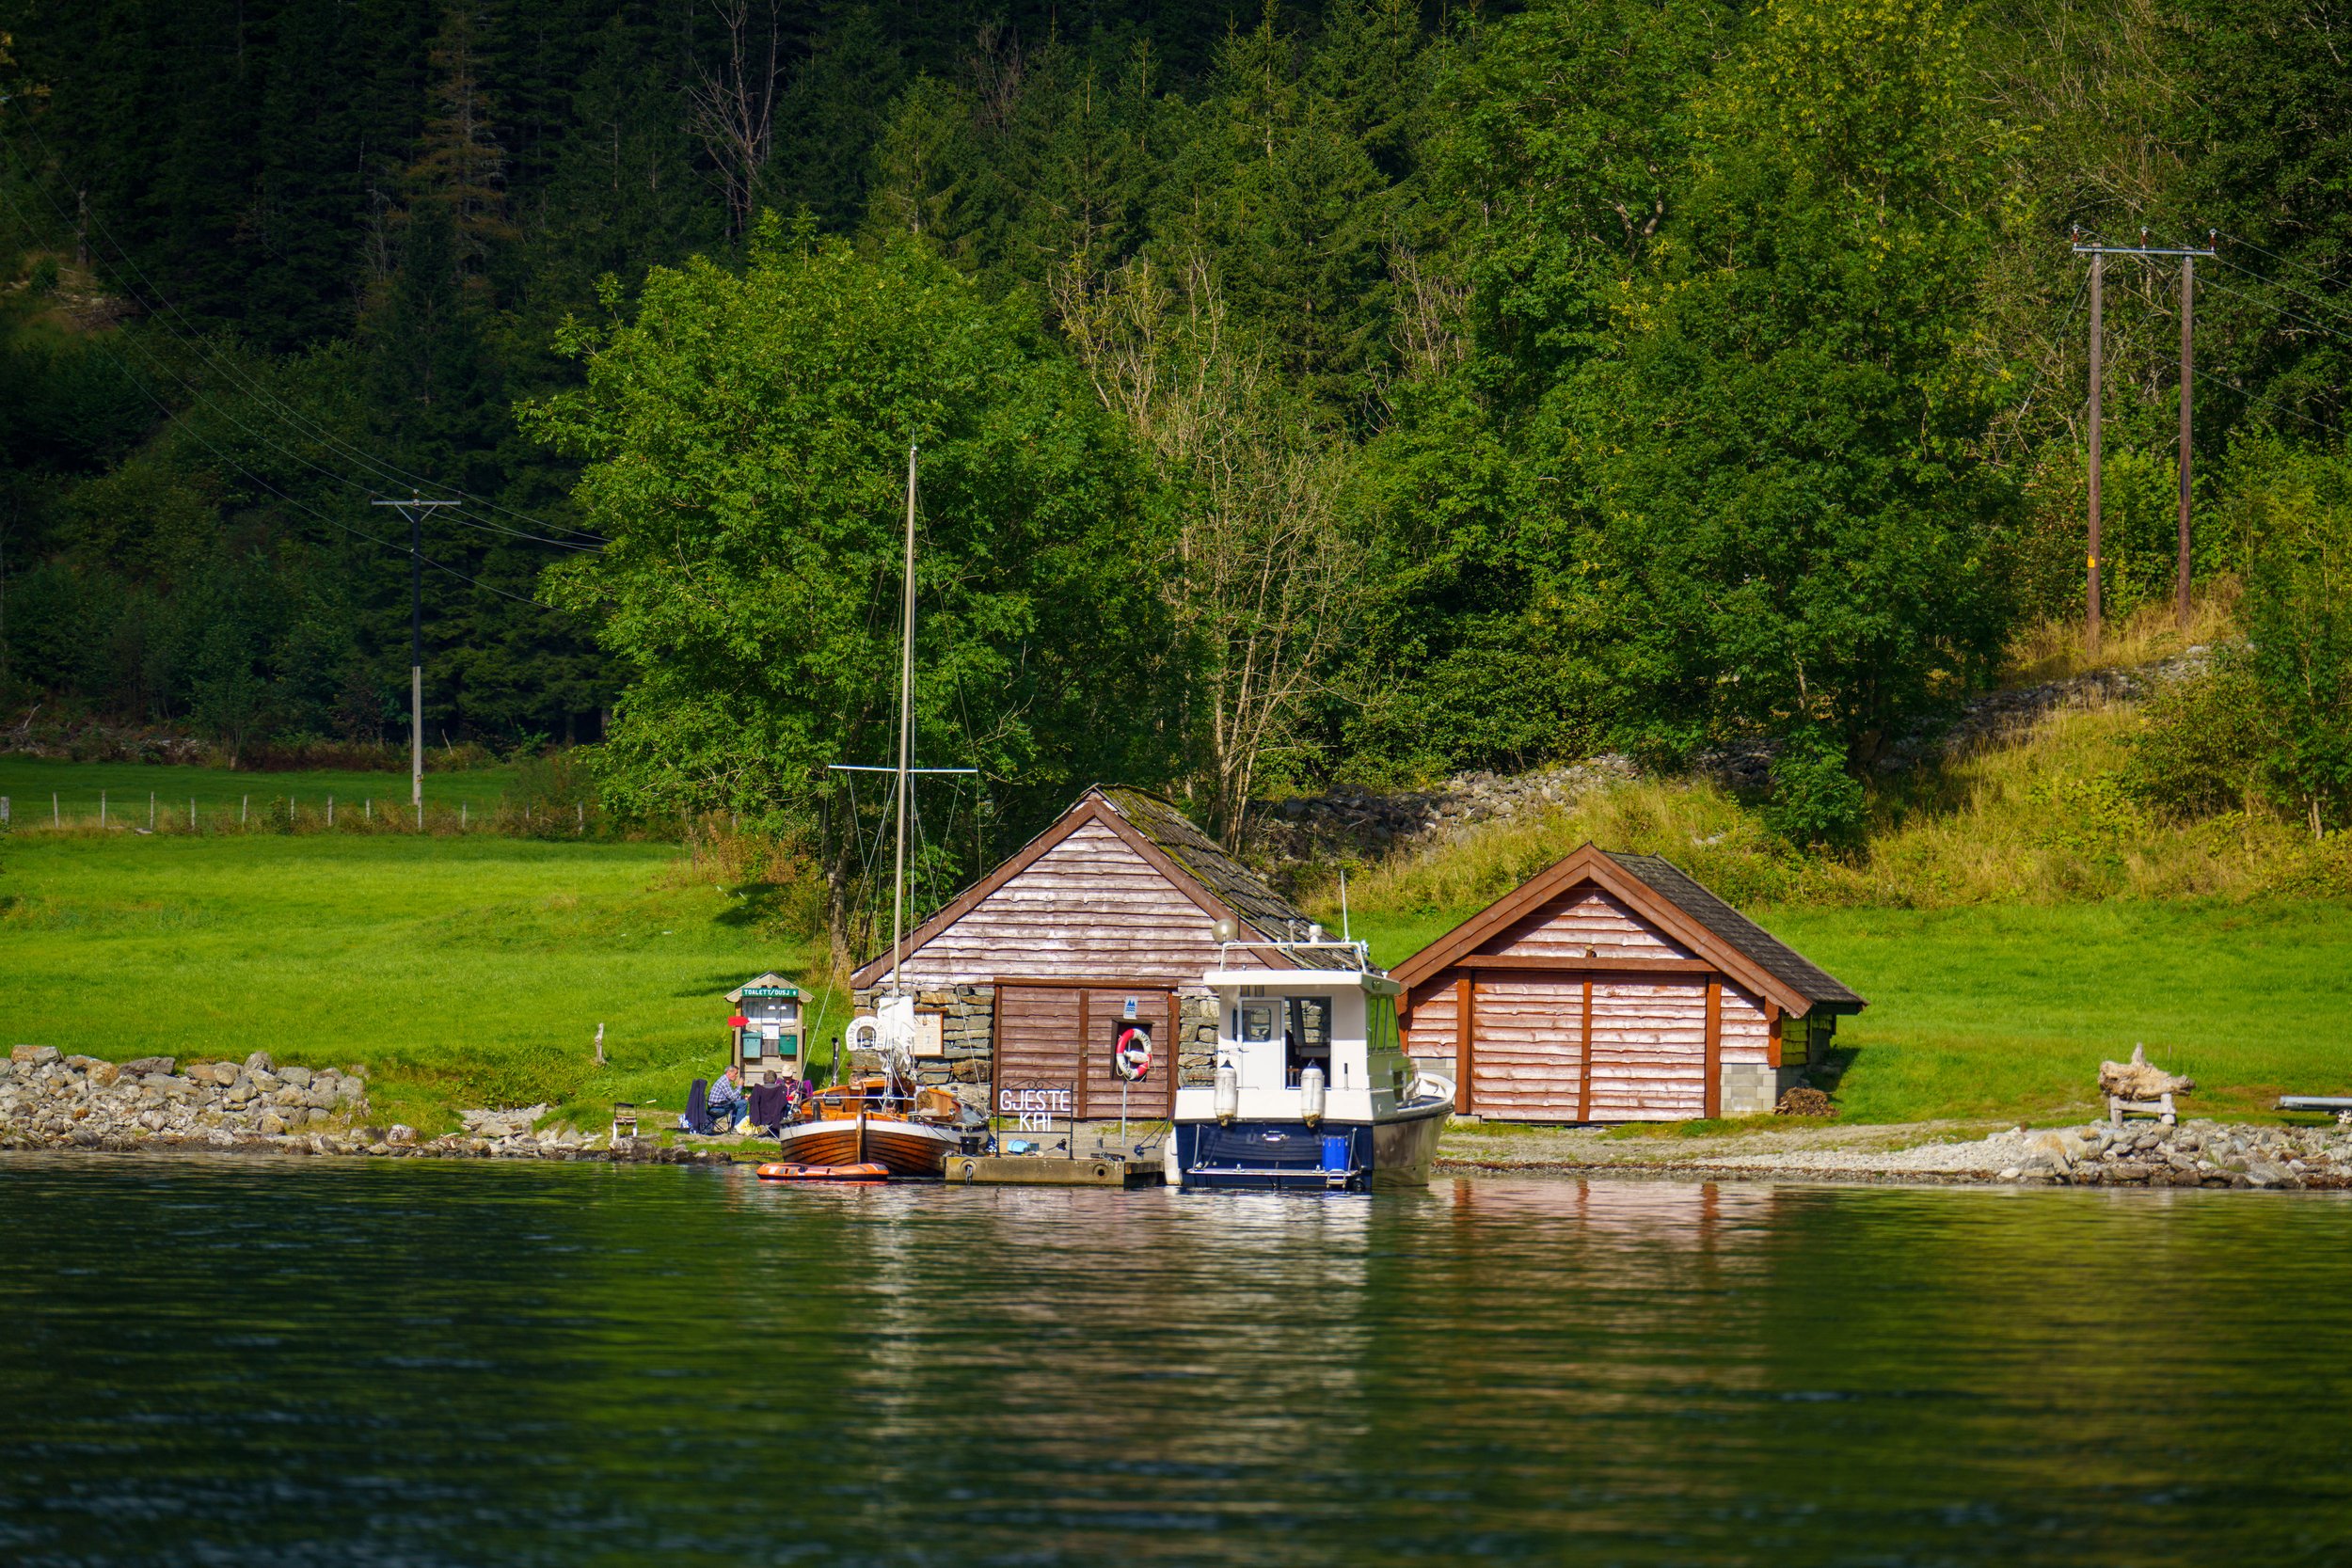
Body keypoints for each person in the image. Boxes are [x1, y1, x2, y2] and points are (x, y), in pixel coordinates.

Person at [706, 1066, 746, 1133]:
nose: (736, 1076)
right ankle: (737, 1128)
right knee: (743, 1103)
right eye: (735, 1073)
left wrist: (742, 1097)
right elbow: (733, 1097)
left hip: (716, 1107)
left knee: (740, 1102)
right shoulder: (724, 1082)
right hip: (717, 1109)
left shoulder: (723, 1080)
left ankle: (734, 1127)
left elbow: (730, 1097)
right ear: (729, 1073)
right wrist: (740, 1086)